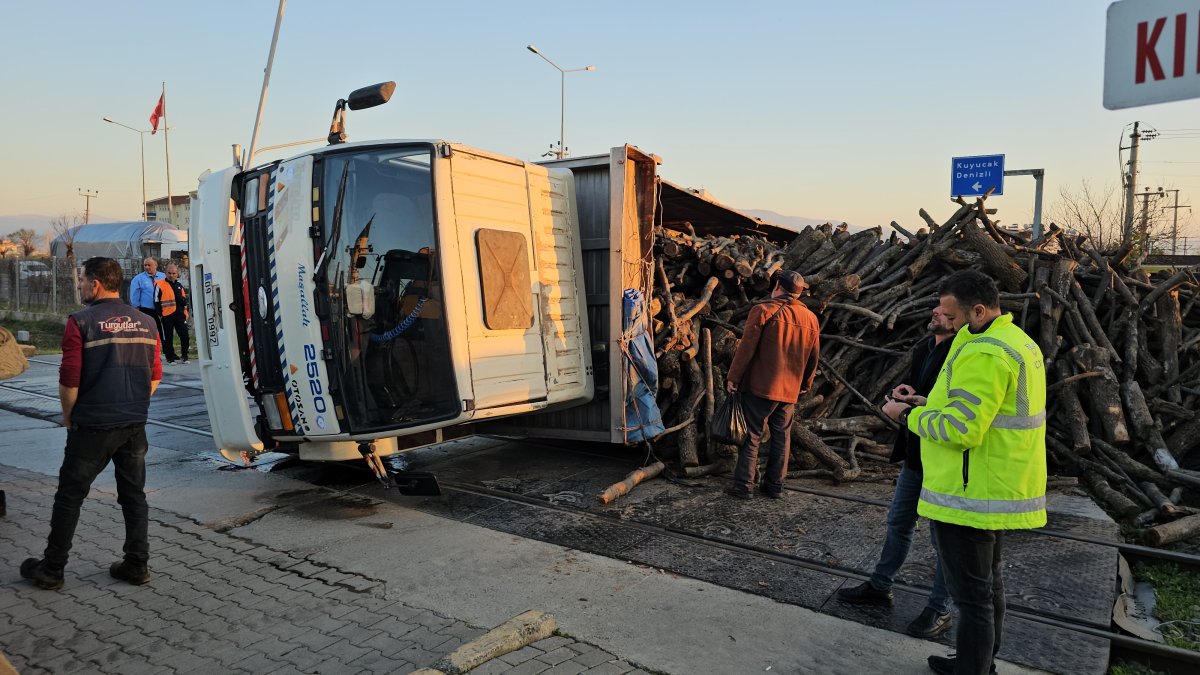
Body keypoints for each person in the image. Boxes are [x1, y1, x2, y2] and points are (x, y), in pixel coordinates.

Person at [882, 269, 1047, 675]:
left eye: (953, 318)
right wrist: (925, 399)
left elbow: (961, 429)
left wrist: (907, 415)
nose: (949, 325)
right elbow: (982, 411)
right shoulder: (1014, 342)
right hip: (993, 485)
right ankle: (979, 662)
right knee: (988, 587)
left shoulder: (985, 352)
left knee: (972, 595)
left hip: (970, 491)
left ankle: (973, 670)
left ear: (977, 310)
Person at [20, 257, 162, 591]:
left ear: (96, 284)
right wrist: (134, 403)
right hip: (133, 425)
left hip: (93, 426)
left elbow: (69, 380)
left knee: (70, 495)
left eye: (82, 279)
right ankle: (137, 565)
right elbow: (155, 376)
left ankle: (53, 569)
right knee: (134, 496)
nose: (80, 285)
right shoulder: (147, 323)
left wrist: (69, 416)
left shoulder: (80, 322)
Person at [837, 306, 961, 639]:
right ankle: (880, 586)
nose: (934, 310)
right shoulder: (925, 347)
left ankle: (939, 608)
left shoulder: (960, 353)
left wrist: (907, 410)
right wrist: (908, 395)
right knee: (899, 522)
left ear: (958, 318)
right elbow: (930, 397)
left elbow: (952, 410)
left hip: (942, 459)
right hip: (915, 454)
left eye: (943, 309)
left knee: (942, 539)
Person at [724, 270, 820, 499]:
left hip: (761, 386)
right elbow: (813, 356)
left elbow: (746, 349)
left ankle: (744, 486)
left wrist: (733, 377)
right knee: (781, 437)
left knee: (752, 435)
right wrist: (805, 383)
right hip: (790, 389)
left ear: (777, 286)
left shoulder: (763, 310)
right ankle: (775, 486)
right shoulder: (810, 318)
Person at [157, 264, 190, 364]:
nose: (171, 275)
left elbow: (184, 301)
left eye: (174, 273)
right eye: (169, 273)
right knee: (168, 337)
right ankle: (170, 358)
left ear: (177, 274)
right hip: (166, 315)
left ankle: (184, 356)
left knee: (185, 336)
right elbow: (156, 301)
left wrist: (184, 312)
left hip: (179, 315)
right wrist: (160, 314)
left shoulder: (179, 285)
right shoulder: (159, 284)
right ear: (165, 273)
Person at [129, 257, 165, 346]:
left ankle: (166, 351)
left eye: (149, 265)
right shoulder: (138, 279)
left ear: (156, 265)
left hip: (162, 309)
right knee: (148, 331)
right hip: (146, 310)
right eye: (145, 265)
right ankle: (150, 350)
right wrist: (136, 309)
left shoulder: (163, 277)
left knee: (163, 331)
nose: (147, 267)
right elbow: (134, 295)